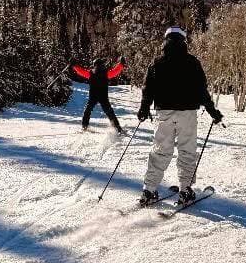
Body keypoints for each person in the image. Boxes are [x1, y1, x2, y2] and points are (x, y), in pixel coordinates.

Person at [136, 27, 223, 205]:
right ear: (184, 41)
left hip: (164, 113)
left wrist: (144, 109)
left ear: (166, 40)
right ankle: (185, 189)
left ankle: (149, 190)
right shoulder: (192, 62)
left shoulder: (156, 63)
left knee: (160, 151)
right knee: (187, 151)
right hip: (187, 114)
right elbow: (202, 91)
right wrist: (214, 112)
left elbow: (147, 90)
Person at [69, 56, 125, 132]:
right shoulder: (106, 73)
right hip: (103, 97)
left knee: (87, 111)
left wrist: (74, 65)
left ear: (94, 65)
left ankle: (84, 127)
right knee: (109, 112)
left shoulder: (91, 73)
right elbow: (115, 71)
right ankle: (118, 128)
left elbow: (81, 72)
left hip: (93, 96)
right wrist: (121, 64)